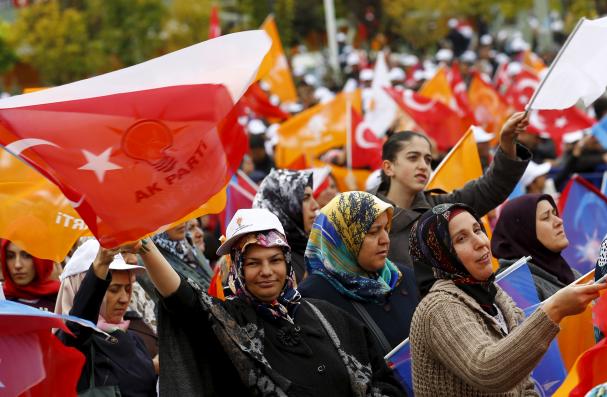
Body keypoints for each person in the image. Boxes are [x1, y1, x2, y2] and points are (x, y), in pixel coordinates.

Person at [136, 208, 404, 396]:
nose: (266, 271)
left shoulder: (330, 317)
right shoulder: (228, 322)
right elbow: (183, 298)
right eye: (253, 263)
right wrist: (143, 246)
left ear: (288, 263)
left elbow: (383, 380)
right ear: (238, 268)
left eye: (275, 260)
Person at [408, 203, 607, 396]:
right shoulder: (438, 308)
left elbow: (523, 385)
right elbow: (488, 371)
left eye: (478, 230)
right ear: (440, 254)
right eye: (461, 239)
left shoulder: (495, 295)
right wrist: (554, 310)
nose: (480, 242)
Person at [374, 112, 531, 296]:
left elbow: (490, 188)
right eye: (413, 157)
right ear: (388, 167)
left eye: (427, 159)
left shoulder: (441, 209)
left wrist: (506, 142)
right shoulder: (365, 215)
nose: (423, 166)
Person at [299, 191, 419, 356]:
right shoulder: (313, 296)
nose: (385, 239)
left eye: (386, 229)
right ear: (342, 239)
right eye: (372, 232)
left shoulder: (402, 276)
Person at [57, 243, 157, 396]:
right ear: (78, 288)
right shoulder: (71, 342)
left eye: (128, 288)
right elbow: (80, 323)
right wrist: (101, 264)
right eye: (113, 289)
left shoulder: (134, 339)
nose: (124, 299)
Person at [492, 194, 579, 301]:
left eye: (555, 213)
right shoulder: (514, 283)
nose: (558, 221)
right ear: (524, 231)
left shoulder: (569, 272)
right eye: (546, 217)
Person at [253, 168, 320, 282]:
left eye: (313, 197)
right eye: (305, 198)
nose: (315, 205)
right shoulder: (273, 261)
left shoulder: (312, 249)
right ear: (281, 205)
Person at [150, 221, 212, 291]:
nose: (181, 222)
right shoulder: (152, 258)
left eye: (180, 215)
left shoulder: (188, 242)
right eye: (171, 218)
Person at [1, 239, 60, 311]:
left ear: (41, 258)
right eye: (10, 256)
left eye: (27, 255)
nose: (17, 265)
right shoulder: (2, 298)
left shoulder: (61, 299)